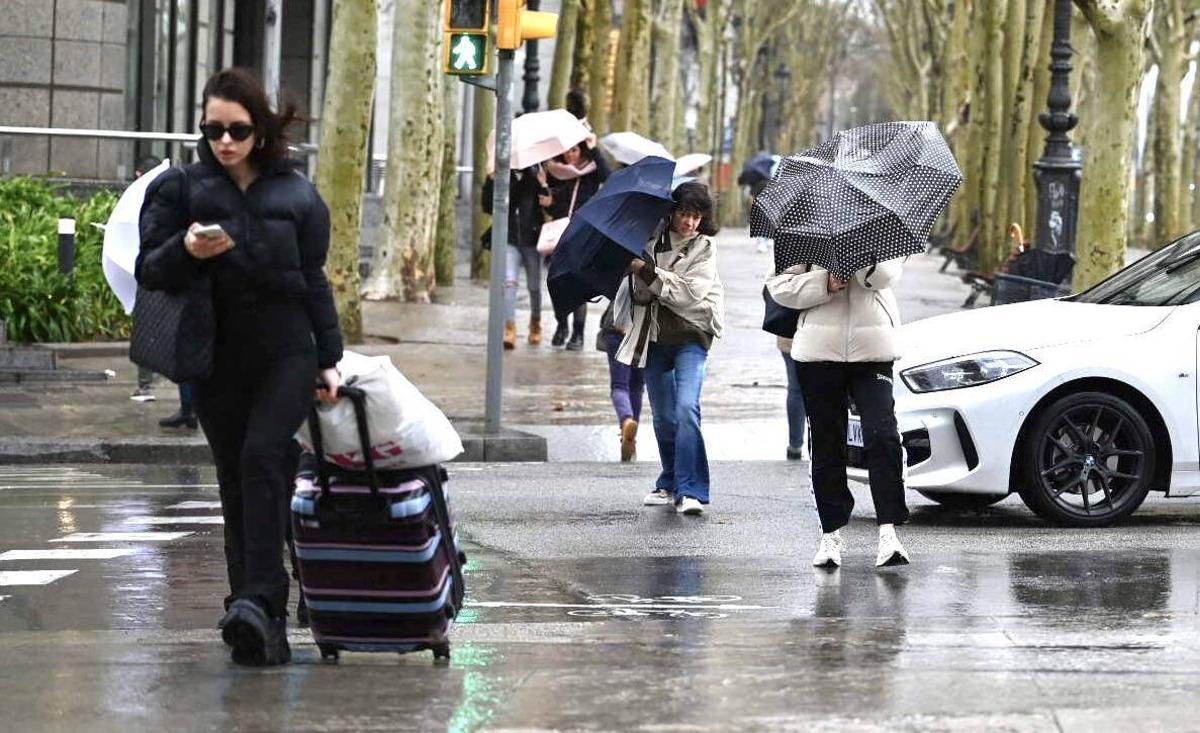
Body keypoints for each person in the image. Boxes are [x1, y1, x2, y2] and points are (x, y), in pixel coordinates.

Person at [137, 67, 343, 666]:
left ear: (262, 129)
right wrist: (185, 250)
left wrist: (328, 359)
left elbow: (314, 281)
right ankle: (252, 613)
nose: (224, 141)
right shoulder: (183, 190)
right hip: (215, 356)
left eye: (238, 129)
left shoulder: (297, 194)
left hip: (286, 352)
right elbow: (151, 268)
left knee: (260, 457)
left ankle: (262, 601)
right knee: (239, 476)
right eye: (212, 129)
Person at [765, 257, 910, 569]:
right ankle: (830, 534)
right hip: (818, 349)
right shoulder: (803, 230)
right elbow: (779, 287)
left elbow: (887, 276)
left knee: (882, 434)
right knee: (827, 442)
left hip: (873, 347)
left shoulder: (880, 227)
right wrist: (824, 284)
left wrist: (858, 262)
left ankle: (889, 532)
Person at [615, 182, 724, 516]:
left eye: (696, 216)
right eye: (684, 214)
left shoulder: (704, 248)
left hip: (693, 337)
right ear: (672, 212)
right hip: (655, 337)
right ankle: (670, 480)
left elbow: (690, 295)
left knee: (686, 408)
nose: (689, 223)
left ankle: (692, 490)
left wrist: (648, 271)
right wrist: (642, 275)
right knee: (663, 416)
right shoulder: (649, 242)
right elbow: (645, 295)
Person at [539, 140, 609, 350]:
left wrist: (595, 148)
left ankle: (578, 333)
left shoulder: (592, 170)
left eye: (575, 150)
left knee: (579, 284)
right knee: (558, 283)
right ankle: (562, 325)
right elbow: (554, 206)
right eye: (567, 151)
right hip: (560, 234)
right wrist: (550, 203)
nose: (570, 155)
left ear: (582, 150)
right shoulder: (555, 170)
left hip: (584, 233)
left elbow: (608, 176)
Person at [483, 165, 547, 349]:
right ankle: (509, 327)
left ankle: (535, 323)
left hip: (532, 240)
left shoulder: (535, 175)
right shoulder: (503, 176)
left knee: (534, 286)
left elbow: (548, 205)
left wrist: (544, 185)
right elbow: (487, 206)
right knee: (509, 283)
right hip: (509, 239)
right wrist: (490, 181)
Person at [598, 301, 644, 461]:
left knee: (620, 385)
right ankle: (631, 440)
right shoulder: (659, 276)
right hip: (643, 331)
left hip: (616, 328)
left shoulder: (616, 275)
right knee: (637, 387)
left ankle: (626, 421)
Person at [779, 334, 806, 460]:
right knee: (827, 390)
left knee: (796, 389)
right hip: (826, 340)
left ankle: (795, 446)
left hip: (790, 334)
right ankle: (826, 444)